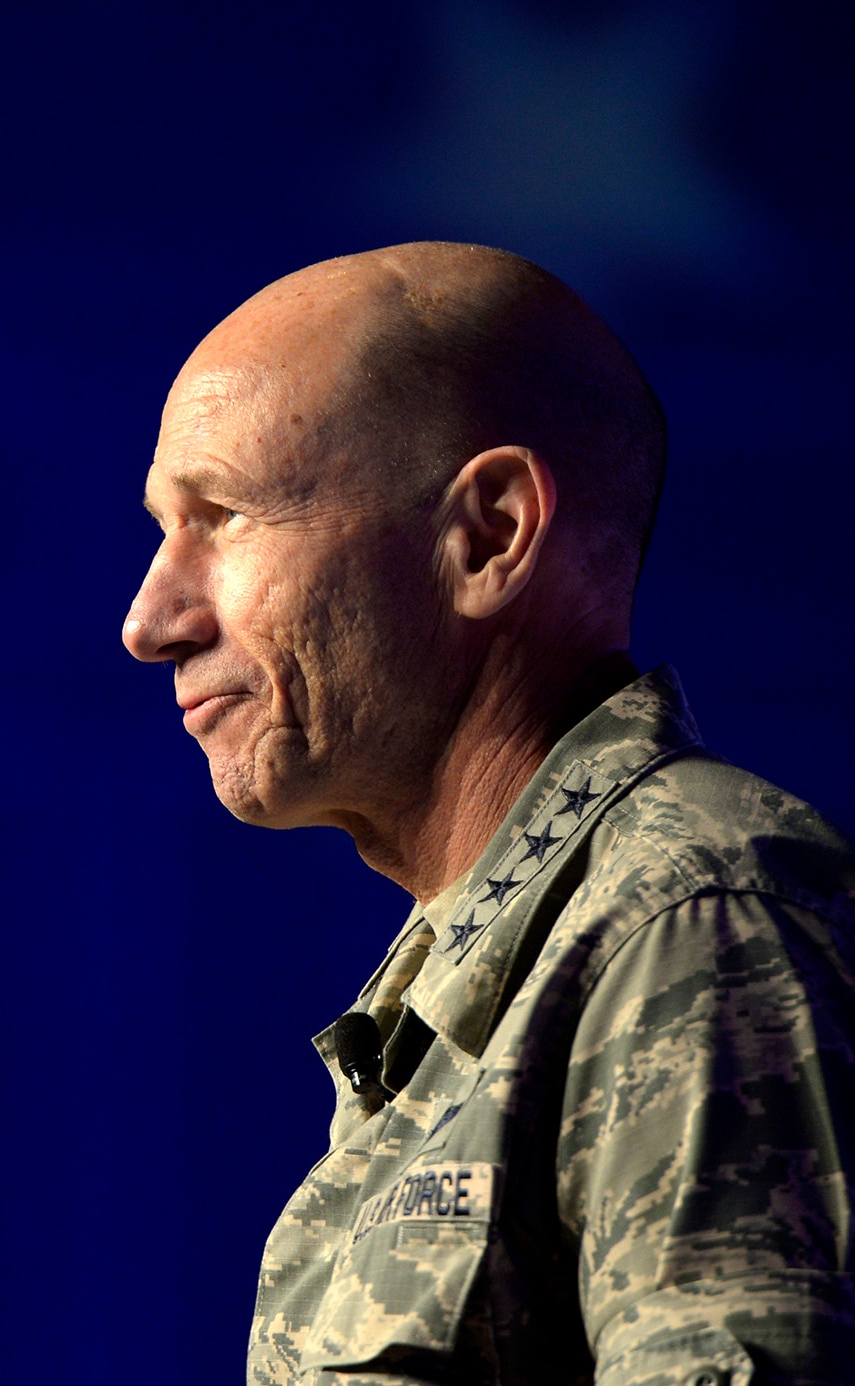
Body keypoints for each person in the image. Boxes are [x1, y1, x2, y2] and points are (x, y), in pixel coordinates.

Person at [121, 242, 855, 1385]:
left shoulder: (687, 924)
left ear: (489, 533)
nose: (150, 619)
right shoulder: (497, 971)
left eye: (223, 516)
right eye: (162, 531)